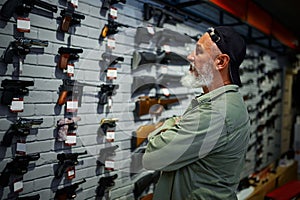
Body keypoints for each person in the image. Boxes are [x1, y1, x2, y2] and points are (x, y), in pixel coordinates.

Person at [142, 26, 251, 200]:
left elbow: (152, 157)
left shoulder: (216, 112)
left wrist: (171, 123)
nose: (190, 57)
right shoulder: (219, 103)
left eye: (199, 52)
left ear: (221, 62)